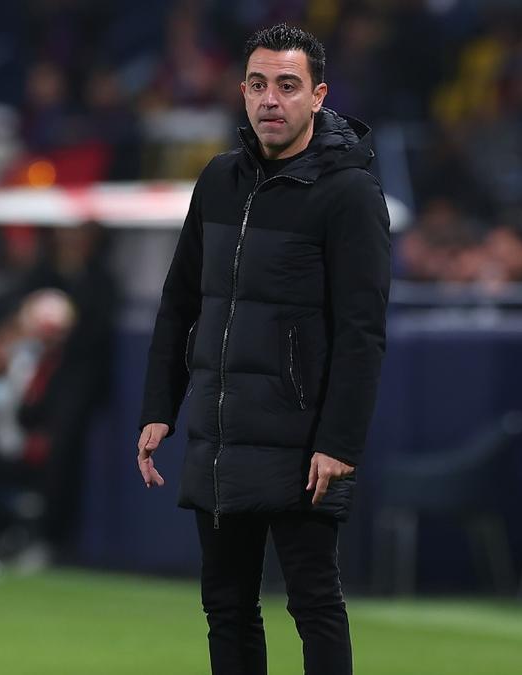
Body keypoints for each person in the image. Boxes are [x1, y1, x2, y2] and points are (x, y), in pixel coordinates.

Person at [135, 24, 390, 675]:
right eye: (257, 84)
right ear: (241, 92)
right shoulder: (219, 180)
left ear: (318, 95)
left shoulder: (349, 192)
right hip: (222, 435)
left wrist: (340, 441)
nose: (269, 99)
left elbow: (362, 331)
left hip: (303, 443)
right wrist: (159, 405)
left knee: (312, 602)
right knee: (226, 605)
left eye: (286, 85)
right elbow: (179, 303)